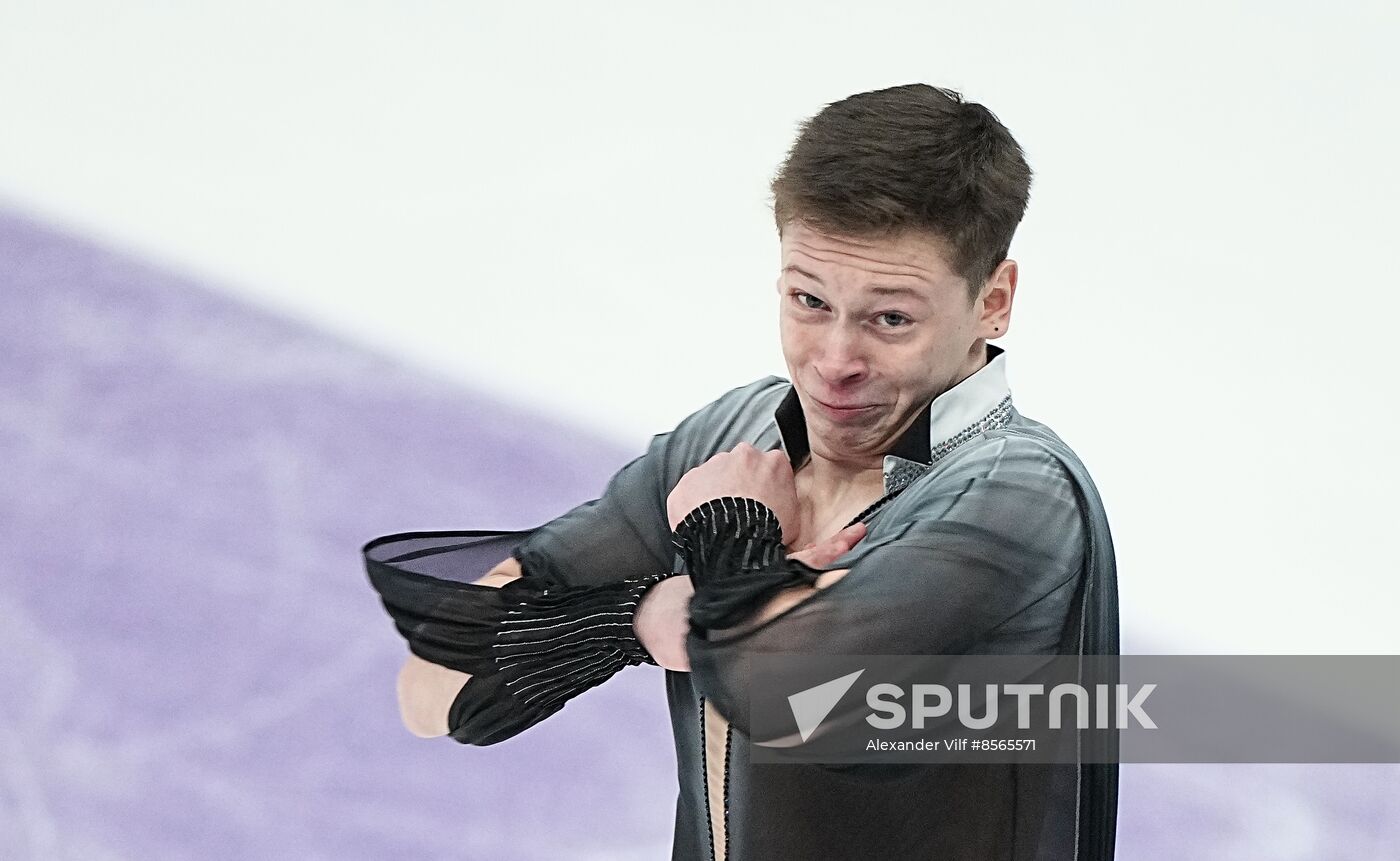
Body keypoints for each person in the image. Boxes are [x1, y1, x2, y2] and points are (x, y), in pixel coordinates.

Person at [364, 83, 1119, 860]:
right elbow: (434, 689)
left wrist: (729, 543)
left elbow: (792, 698)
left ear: (993, 302)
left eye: (891, 318)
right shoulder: (734, 436)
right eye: (809, 299)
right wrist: (634, 618)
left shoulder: (1018, 495)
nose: (834, 362)